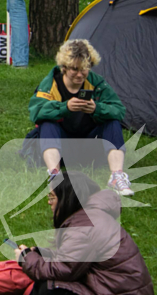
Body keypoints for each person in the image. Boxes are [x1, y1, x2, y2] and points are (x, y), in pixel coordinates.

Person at [16, 171, 155, 295]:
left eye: (52, 197)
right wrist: (42, 253)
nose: (49, 202)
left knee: (51, 290)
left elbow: (65, 269)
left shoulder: (83, 227)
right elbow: (73, 260)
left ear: (67, 198)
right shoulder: (90, 216)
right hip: (116, 293)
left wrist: (27, 259)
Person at [29, 39, 133, 196]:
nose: (80, 74)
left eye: (84, 69)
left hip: (91, 145)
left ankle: (117, 175)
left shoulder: (96, 83)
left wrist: (97, 109)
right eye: (74, 69)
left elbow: (119, 110)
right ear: (63, 68)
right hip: (62, 146)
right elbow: (36, 112)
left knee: (112, 121)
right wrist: (65, 108)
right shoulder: (51, 83)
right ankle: (54, 175)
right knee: (47, 123)